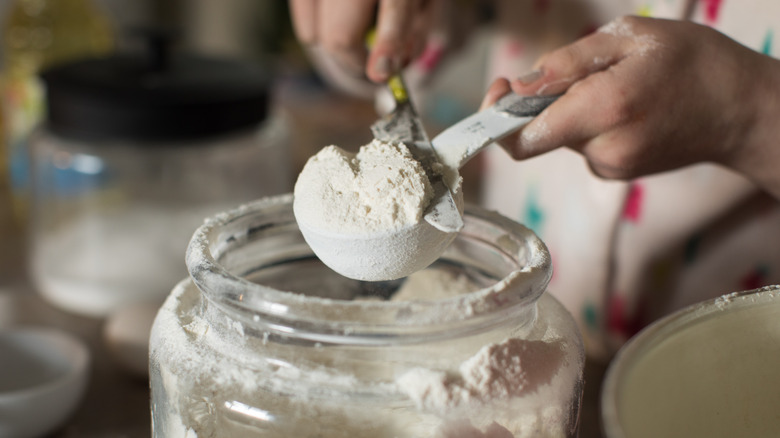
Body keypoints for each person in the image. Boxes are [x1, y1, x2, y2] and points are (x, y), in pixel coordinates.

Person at [289, 0, 780, 360]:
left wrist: (749, 113)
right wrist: (371, 22)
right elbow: (437, 22)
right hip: (514, 338)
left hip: (734, 361)